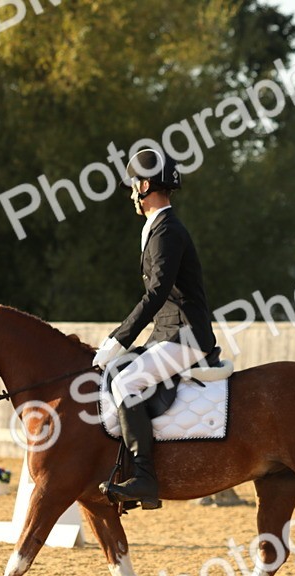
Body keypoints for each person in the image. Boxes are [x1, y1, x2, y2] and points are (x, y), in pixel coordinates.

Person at [91, 148, 219, 509]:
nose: (132, 194)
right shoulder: (158, 228)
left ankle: (145, 477)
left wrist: (119, 338)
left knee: (126, 382)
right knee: (121, 374)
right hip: (170, 333)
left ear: (145, 185)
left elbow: (157, 292)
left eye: (134, 187)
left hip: (187, 336)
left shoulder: (167, 230)